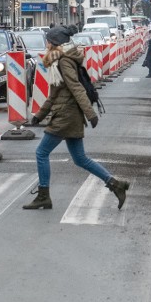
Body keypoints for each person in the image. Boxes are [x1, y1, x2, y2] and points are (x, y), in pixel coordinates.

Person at [26, 25, 130, 210]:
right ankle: (116, 184)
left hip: (65, 115)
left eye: (48, 41)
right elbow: (54, 94)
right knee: (80, 159)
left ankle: (43, 196)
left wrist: (90, 114)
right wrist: (39, 116)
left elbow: (76, 88)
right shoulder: (59, 61)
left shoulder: (64, 62)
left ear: (55, 43)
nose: (47, 44)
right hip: (68, 113)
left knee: (41, 153)